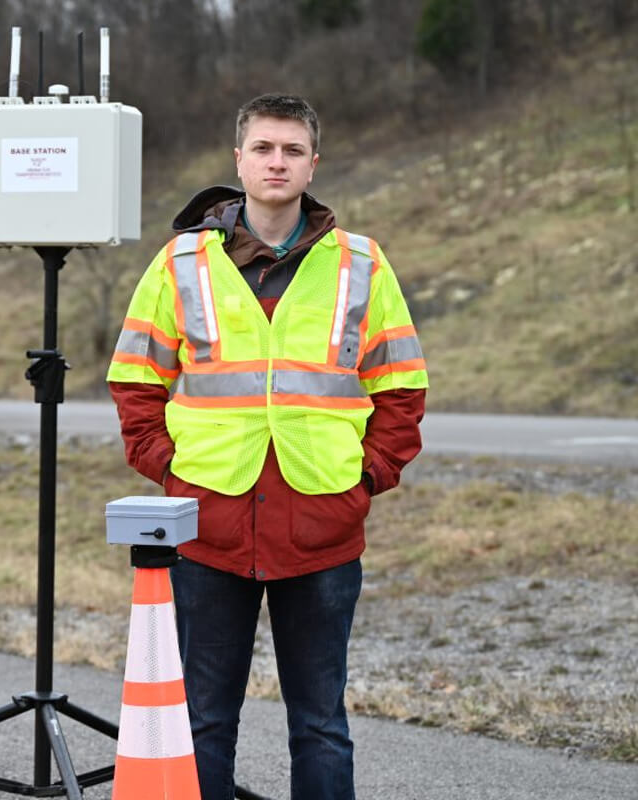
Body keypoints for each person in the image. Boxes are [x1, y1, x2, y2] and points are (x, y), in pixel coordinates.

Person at [107, 93, 427, 800]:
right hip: (208, 523)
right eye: (263, 148)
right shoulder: (179, 263)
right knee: (201, 722)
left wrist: (365, 482)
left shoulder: (362, 265)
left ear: (314, 163)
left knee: (320, 725)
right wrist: (170, 469)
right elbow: (134, 381)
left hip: (322, 523)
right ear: (238, 161)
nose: (276, 162)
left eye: (291, 150)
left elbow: (403, 392)